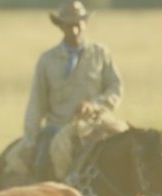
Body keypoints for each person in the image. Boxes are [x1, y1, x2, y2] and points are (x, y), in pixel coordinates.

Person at [24, 0, 124, 180]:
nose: (75, 30)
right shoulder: (47, 60)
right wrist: (30, 141)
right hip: (59, 127)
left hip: (96, 124)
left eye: (78, 24)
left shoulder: (101, 54)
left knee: (129, 151)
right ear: (60, 26)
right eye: (70, 25)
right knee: (42, 165)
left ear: (85, 23)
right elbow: (36, 104)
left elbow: (115, 88)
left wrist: (94, 105)